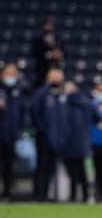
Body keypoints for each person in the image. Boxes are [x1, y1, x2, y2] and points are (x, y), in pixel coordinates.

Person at [30, 68, 68, 201]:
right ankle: (39, 195)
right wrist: (44, 131)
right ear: (48, 77)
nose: (57, 79)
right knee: (42, 167)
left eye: (59, 77)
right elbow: (35, 114)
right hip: (44, 138)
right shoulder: (41, 94)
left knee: (52, 169)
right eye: (55, 77)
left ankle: (49, 195)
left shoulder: (63, 94)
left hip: (59, 139)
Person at [61, 81, 98, 203]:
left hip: (68, 143)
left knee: (72, 173)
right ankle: (86, 196)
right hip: (83, 144)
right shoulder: (87, 103)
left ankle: (73, 196)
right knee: (82, 172)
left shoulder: (64, 104)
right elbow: (97, 118)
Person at [0, 63, 26, 200]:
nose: (11, 76)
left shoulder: (18, 91)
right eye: (8, 73)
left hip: (11, 134)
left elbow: (21, 112)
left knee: (9, 165)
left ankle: (7, 193)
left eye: (13, 74)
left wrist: (19, 130)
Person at [31, 18, 64, 88]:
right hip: (43, 67)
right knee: (42, 85)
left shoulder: (57, 37)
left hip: (56, 65)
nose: (49, 27)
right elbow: (35, 51)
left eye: (50, 25)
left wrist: (59, 54)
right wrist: (47, 55)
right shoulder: (38, 38)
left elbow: (63, 49)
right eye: (47, 25)